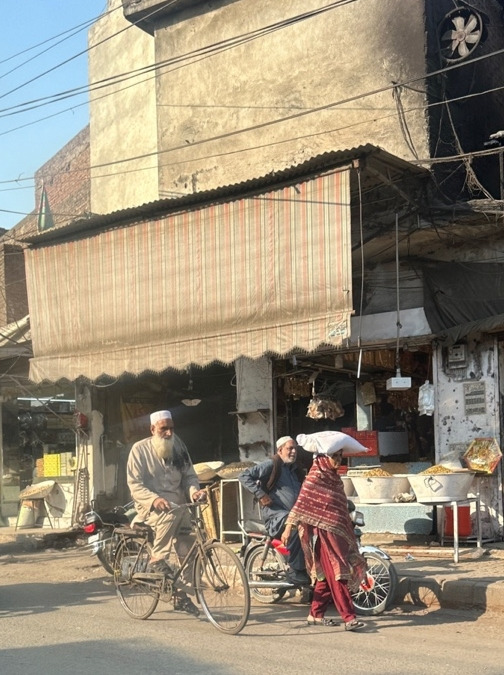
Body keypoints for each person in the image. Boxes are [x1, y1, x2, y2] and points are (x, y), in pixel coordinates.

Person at [127, 409, 207, 616]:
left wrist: (194, 492)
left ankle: (182, 592)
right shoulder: (139, 450)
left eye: (171, 428)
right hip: (151, 507)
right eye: (164, 429)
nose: (169, 433)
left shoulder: (179, 446)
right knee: (170, 514)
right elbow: (135, 485)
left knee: (191, 546)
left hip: (180, 505)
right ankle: (157, 558)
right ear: (152, 429)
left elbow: (190, 476)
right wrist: (154, 499)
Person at [281, 444, 367, 631]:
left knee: (325, 577)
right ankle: (349, 617)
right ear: (322, 459)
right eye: (334, 456)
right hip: (324, 537)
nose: (338, 460)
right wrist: (288, 528)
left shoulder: (335, 480)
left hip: (339, 534)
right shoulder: (314, 478)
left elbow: (340, 506)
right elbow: (301, 505)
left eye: (340, 456)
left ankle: (315, 614)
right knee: (338, 574)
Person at [239, 436, 310, 587]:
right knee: (295, 528)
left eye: (295, 449)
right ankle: (296, 570)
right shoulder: (272, 464)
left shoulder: (295, 470)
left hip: (292, 515)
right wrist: (261, 494)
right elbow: (244, 476)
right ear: (280, 450)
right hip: (276, 516)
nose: (293, 451)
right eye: (290, 448)